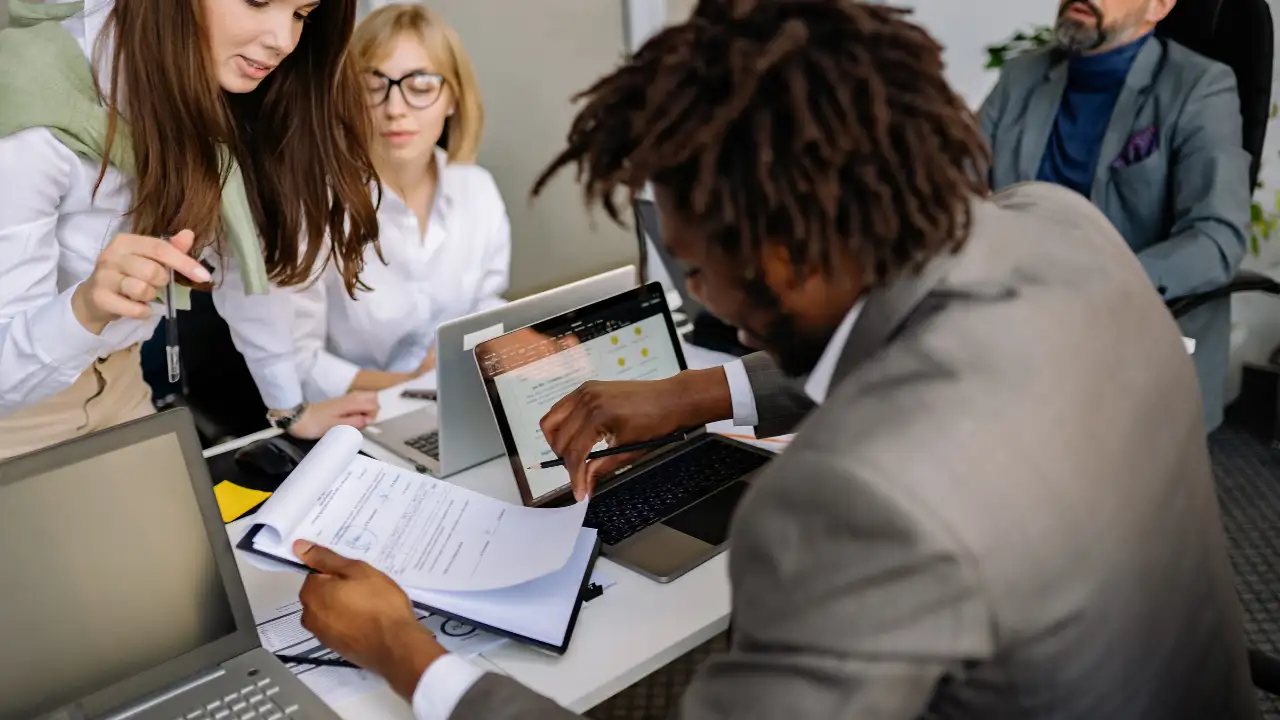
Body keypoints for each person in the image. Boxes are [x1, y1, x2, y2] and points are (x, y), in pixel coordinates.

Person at [291, 0, 1257, 718]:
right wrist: (695, 391)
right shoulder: (1062, 226)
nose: (696, 292)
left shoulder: (855, 503)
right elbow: (904, 331)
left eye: (697, 267)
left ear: (785, 261)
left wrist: (410, 654)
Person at [0, 0, 383, 459]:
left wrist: (289, 409)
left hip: (123, 387)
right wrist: (86, 307)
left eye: (301, 13)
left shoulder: (207, 78)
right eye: (258, 1)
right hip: (16, 418)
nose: (282, 40)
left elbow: (241, 265)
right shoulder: (32, 102)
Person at [979, 0, 1251, 432]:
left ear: (1159, 6)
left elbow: (1217, 237)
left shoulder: (1199, 86)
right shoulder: (1024, 73)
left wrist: (1096, 283)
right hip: (1017, 309)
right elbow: (953, 180)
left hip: (1125, 325)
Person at [292, 3, 510, 401]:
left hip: (465, 400)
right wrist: (413, 384)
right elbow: (300, 363)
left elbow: (486, 306)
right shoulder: (315, 206)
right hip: (356, 415)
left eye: (421, 86)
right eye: (374, 85)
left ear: (452, 99)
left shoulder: (478, 191)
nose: (395, 109)